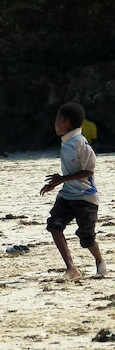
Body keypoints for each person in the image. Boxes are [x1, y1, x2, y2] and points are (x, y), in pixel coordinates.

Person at [40, 102, 106, 280]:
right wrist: (55, 183)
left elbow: (88, 171)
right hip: (68, 194)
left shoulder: (80, 143)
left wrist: (61, 179)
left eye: (57, 120)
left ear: (65, 121)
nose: (54, 123)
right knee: (54, 225)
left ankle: (100, 261)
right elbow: (71, 171)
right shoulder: (67, 142)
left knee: (87, 237)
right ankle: (71, 267)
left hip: (86, 197)